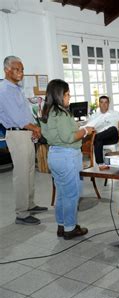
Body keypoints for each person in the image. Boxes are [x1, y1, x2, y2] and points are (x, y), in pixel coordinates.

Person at [40, 79, 92, 239]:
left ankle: (62, 225)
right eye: (67, 94)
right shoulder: (61, 113)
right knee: (71, 194)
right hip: (67, 156)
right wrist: (85, 131)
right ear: (58, 95)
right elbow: (68, 137)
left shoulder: (47, 112)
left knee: (62, 193)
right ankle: (70, 228)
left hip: (55, 154)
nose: (69, 97)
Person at [0, 56, 47, 225]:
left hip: (25, 133)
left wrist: (34, 127)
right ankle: (21, 213)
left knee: (29, 171)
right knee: (21, 175)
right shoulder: (4, 90)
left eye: (22, 70)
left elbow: (26, 114)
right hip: (17, 134)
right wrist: (35, 129)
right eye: (17, 69)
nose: (21, 73)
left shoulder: (16, 89)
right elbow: (17, 118)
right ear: (6, 70)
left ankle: (29, 204)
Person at [86, 95, 119, 170]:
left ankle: (96, 138)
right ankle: (100, 164)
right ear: (99, 104)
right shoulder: (94, 116)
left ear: (109, 104)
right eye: (102, 102)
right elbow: (89, 128)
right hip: (101, 139)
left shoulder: (115, 114)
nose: (104, 104)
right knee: (98, 139)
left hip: (113, 137)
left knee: (113, 129)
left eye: (106, 102)